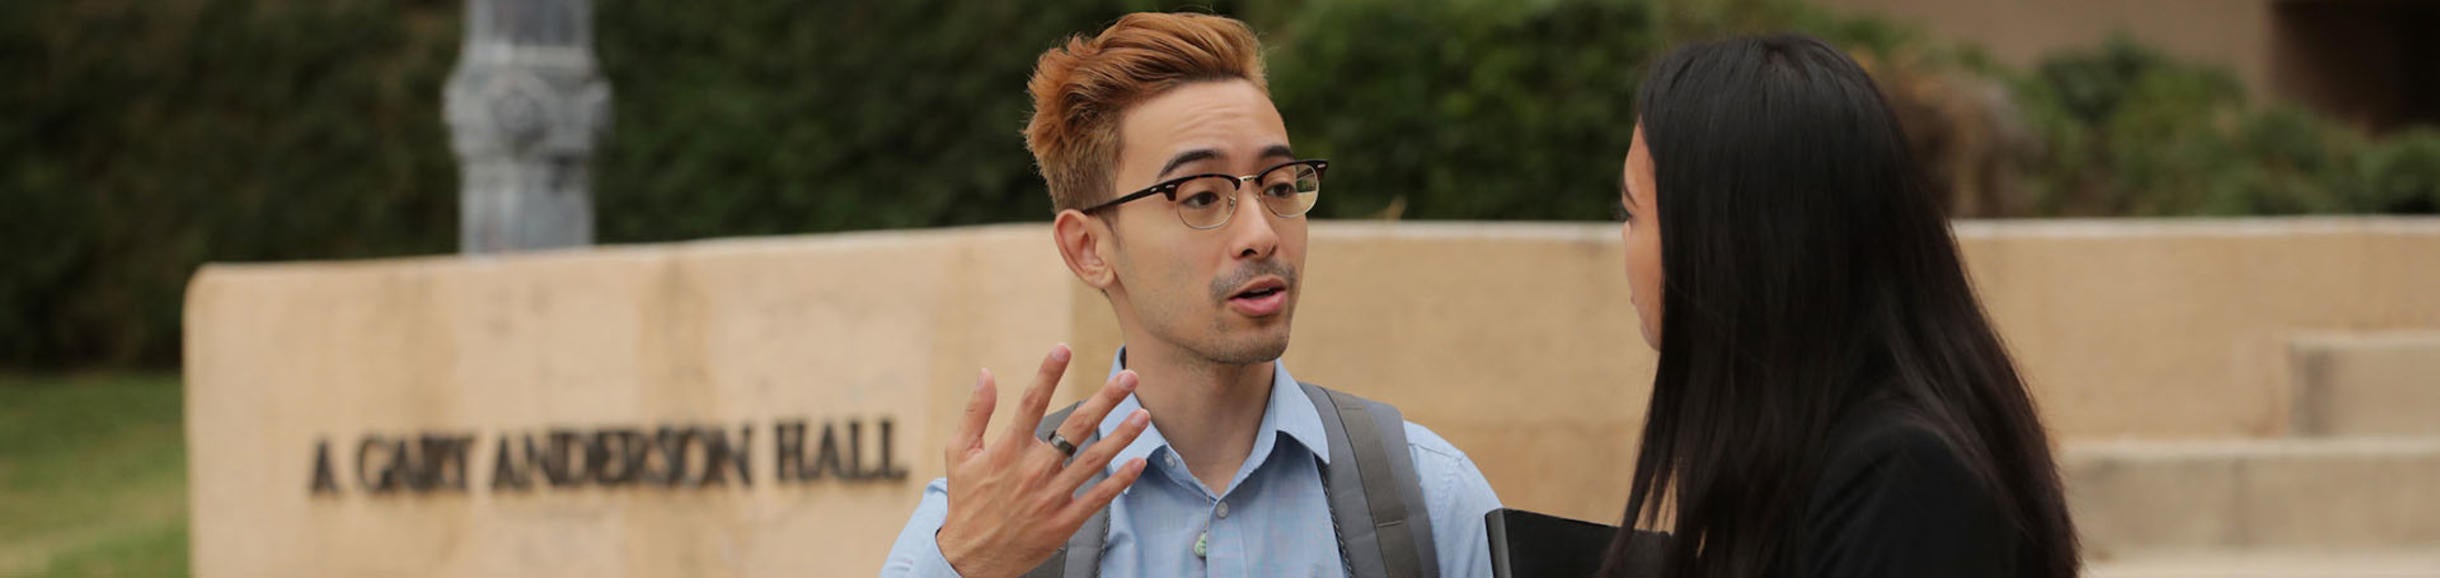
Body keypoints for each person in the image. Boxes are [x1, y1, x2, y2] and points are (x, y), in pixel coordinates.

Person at [880, 12, 1502, 578]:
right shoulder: (979, 527)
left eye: (1280, 187)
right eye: (1201, 196)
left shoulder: (1430, 497)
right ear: (1089, 248)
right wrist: (968, 565)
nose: (1261, 234)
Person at [1599, 34, 2080, 578]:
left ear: (1728, 244)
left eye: (1631, 214)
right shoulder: (1796, 452)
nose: (1625, 242)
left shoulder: (1904, 484)